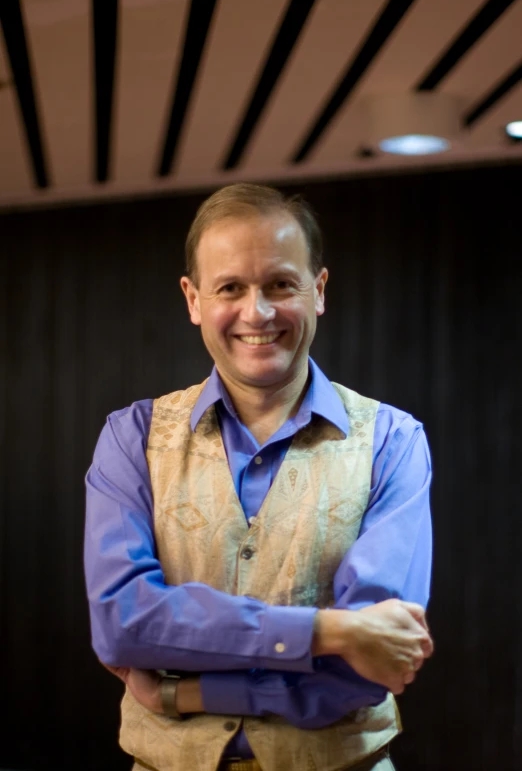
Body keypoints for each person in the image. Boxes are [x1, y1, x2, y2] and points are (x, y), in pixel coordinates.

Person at [84, 183, 433, 771]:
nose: (258, 312)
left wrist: (181, 691)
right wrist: (329, 630)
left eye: (280, 284)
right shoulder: (132, 438)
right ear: (194, 300)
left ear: (317, 291)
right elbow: (124, 623)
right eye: (230, 288)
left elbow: (374, 662)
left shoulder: (393, 442)